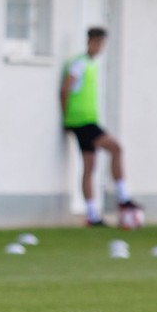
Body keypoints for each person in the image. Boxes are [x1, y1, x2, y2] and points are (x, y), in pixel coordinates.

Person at [61, 27, 141, 226]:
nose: (100, 48)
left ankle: (92, 215)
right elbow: (65, 89)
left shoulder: (91, 64)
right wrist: (66, 118)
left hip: (85, 121)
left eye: (102, 44)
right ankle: (123, 197)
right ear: (90, 41)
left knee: (90, 166)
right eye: (97, 43)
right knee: (116, 148)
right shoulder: (79, 63)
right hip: (82, 121)